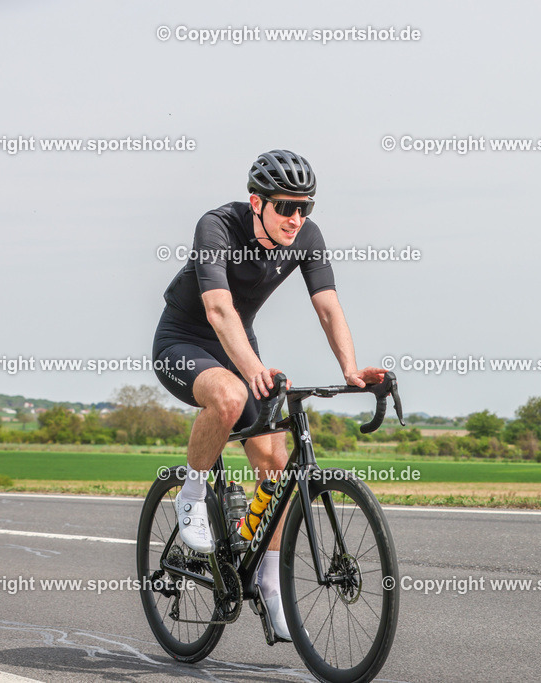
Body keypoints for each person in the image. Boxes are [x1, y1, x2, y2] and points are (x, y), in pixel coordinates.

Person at [152, 149, 385, 642]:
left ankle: (270, 583)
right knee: (232, 397)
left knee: (276, 469)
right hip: (184, 341)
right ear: (257, 202)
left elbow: (327, 305)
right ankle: (192, 494)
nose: (296, 218)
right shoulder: (217, 226)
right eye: (285, 207)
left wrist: (350, 369)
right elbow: (217, 309)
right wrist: (254, 369)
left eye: (306, 208)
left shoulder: (306, 237)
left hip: (241, 345)